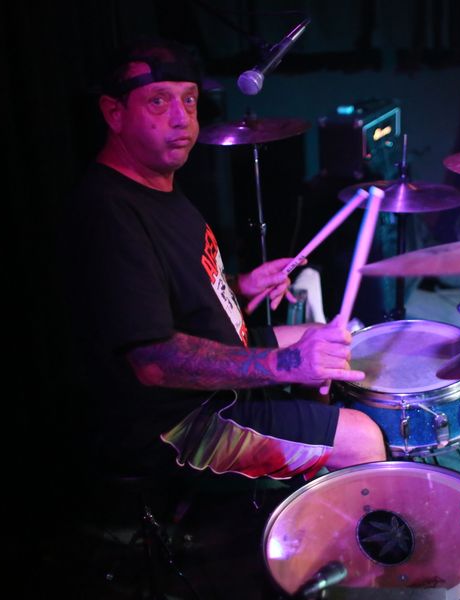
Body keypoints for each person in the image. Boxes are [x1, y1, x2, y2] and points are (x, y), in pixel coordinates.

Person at [60, 39, 386, 481]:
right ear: (114, 113)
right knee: (363, 437)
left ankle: (307, 477)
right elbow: (154, 362)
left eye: (189, 100)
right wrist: (284, 365)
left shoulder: (158, 186)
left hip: (215, 384)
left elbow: (174, 293)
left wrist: (241, 284)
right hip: (178, 424)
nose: (181, 118)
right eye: (158, 101)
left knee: (328, 338)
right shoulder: (108, 214)